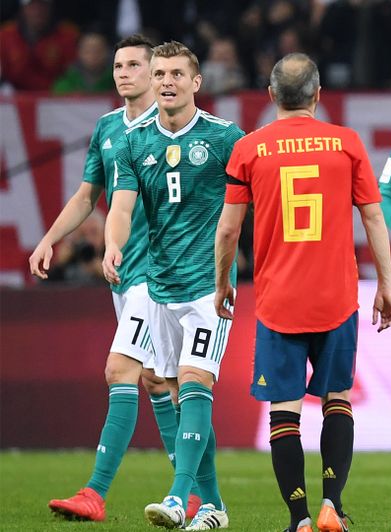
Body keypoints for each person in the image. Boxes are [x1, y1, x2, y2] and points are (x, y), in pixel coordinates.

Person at [214, 52, 391, 532]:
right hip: (336, 298)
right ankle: (332, 503)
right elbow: (374, 217)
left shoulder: (249, 149)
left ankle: (298, 517)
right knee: (338, 399)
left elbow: (229, 230)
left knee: (285, 411)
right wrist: (385, 282)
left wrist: (222, 282)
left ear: (271, 96)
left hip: (279, 303)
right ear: (319, 95)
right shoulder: (347, 142)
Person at [38, 34, 202, 523]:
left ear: (155, 73)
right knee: (157, 382)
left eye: (134, 64)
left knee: (120, 371)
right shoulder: (108, 128)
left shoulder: (170, 128)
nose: (123, 72)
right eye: (118, 65)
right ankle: (191, 492)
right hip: (122, 274)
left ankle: (96, 492)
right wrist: (50, 238)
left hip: (157, 276)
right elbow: (89, 195)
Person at [103, 40, 245, 530]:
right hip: (158, 285)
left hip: (208, 287)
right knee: (163, 383)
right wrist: (113, 245)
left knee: (195, 381)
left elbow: (256, 202)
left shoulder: (226, 138)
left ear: (196, 82)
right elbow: (120, 206)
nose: (166, 82)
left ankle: (177, 495)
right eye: (160, 73)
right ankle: (214, 506)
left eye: (176, 74)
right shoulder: (133, 142)